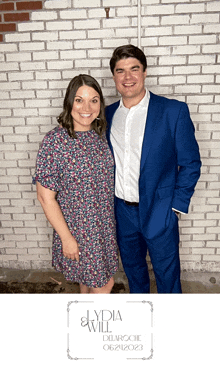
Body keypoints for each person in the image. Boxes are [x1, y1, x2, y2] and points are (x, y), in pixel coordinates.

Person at [105, 44, 201, 293]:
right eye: (120, 71)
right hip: (122, 212)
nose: (128, 77)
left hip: (160, 209)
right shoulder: (107, 115)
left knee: (168, 276)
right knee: (134, 272)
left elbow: (190, 163)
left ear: (145, 72)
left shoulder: (172, 111)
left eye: (134, 69)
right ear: (114, 76)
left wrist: (175, 206)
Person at [33, 74, 118, 294]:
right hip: (79, 230)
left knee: (88, 281)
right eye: (79, 100)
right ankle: (95, 326)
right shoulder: (55, 141)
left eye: (94, 100)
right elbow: (45, 197)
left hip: (104, 227)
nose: (86, 107)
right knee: (104, 284)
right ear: (69, 102)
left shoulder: (100, 136)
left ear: (100, 103)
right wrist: (66, 238)